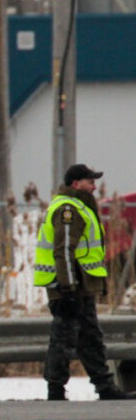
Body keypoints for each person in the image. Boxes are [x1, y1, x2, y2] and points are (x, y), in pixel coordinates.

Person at [35, 163, 132, 401]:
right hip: (68, 286)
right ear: (76, 184)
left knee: (91, 338)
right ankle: (55, 390)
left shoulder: (80, 206)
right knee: (63, 339)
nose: (95, 186)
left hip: (82, 285)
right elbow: (63, 251)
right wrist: (67, 288)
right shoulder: (68, 208)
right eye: (90, 181)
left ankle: (105, 387)